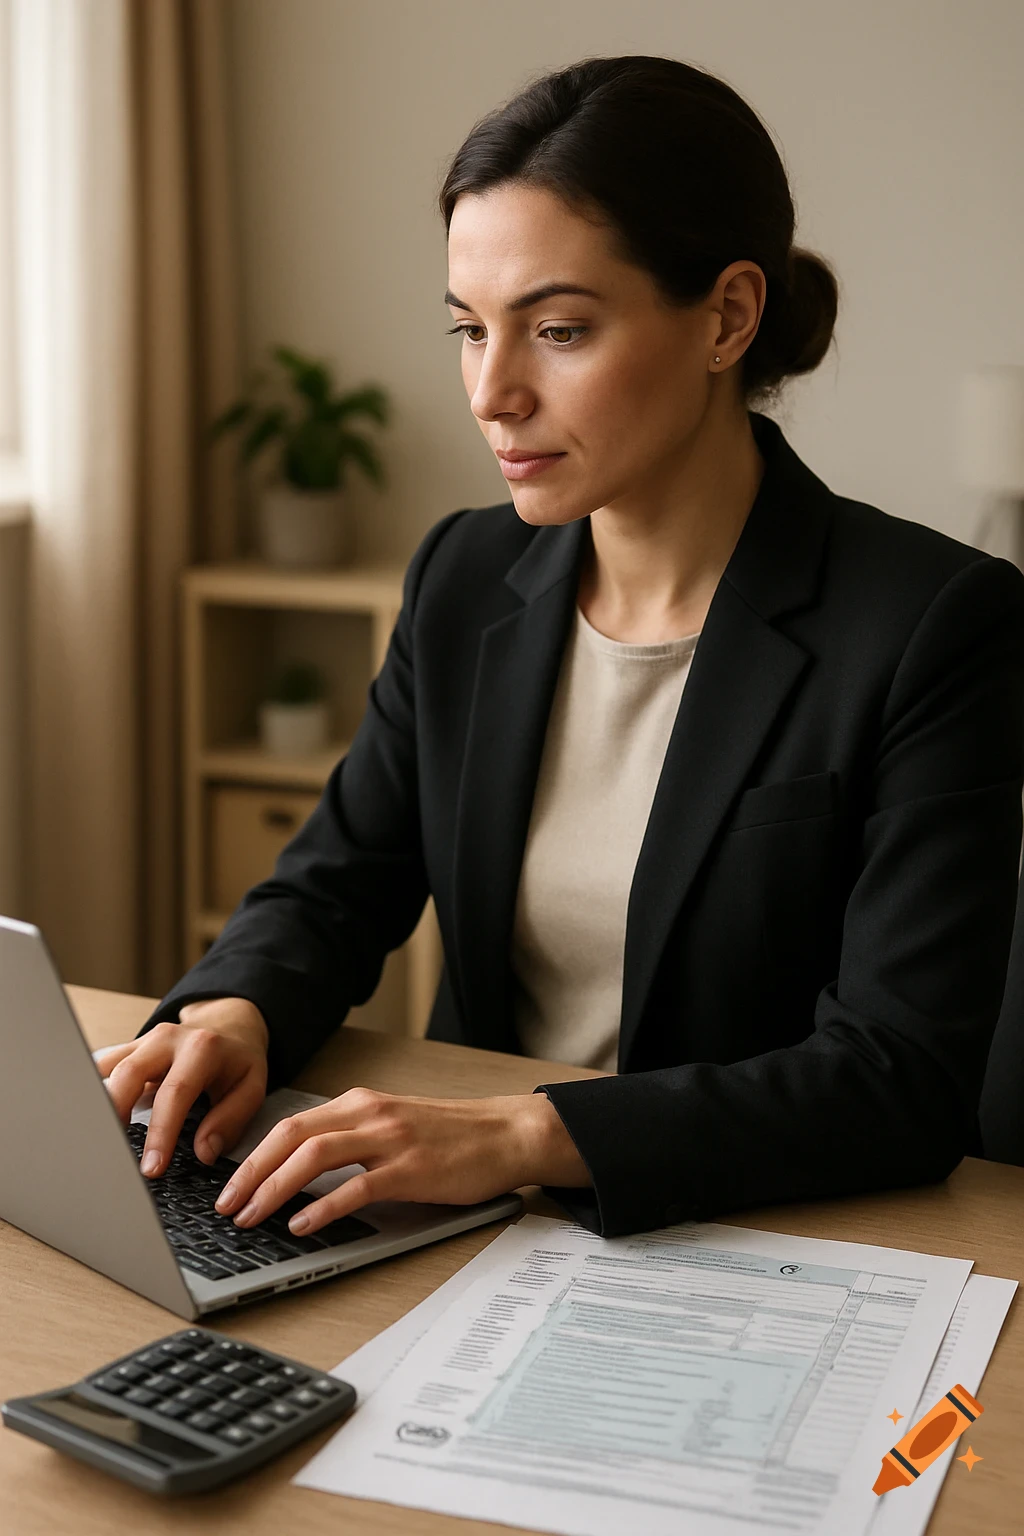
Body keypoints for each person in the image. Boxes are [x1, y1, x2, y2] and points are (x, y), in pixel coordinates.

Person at [98, 56, 1024, 1242]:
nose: (492, 392)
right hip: (459, 1230)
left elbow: (897, 1078)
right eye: (468, 330)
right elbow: (334, 883)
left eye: (559, 329)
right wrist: (234, 1010)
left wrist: (527, 1131)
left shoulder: (930, 623)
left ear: (727, 317)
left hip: (748, 1241)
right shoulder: (462, 577)